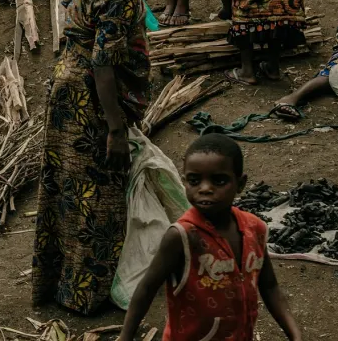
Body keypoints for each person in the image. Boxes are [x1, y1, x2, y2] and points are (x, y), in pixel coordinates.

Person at [34, 0, 152, 315]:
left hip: (67, 88)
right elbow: (104, 64)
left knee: (66, 187)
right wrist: (115, 129)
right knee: (96, 194)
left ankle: (57, 284)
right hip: (90, 101)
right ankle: (86, 294)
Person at [115, 134, 303, 341]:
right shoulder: (182, 236)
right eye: (194, 181)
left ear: (240, 184)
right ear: (185, 182)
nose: (205, 189)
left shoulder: (255, 228)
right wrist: (125, 337)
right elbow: (146, 289)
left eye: (219, 180)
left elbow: (269, 286)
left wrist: (294, 333)